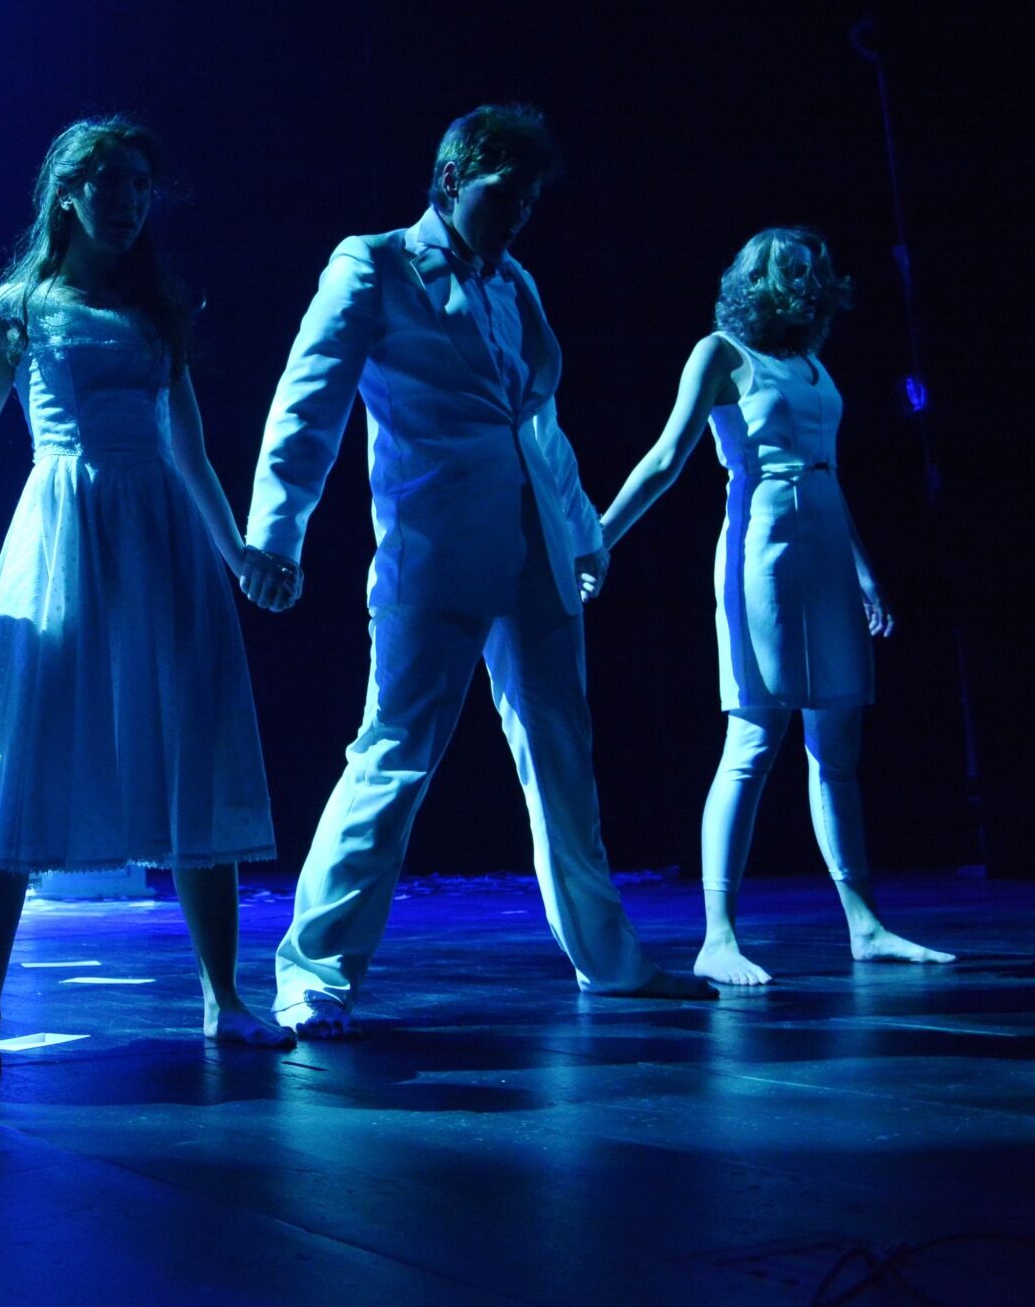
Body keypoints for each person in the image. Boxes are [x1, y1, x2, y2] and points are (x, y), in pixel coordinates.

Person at [242, 103, 713, 1036]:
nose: (522, 211)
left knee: (563, 759)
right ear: (455, 177)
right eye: (509, 191)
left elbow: (537, 423)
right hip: (434, 547)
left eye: (534, 198)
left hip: (537, 549)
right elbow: (308, 403)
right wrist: (276, 534)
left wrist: (584, 533)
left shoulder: (517, 283)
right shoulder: (372, 263)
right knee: (394, 754)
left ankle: (609, 962)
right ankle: (313, 970)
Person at [0, 117, 293, 1071]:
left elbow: (193, 453)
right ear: (68, 193)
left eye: (142, 185)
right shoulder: (15, 307)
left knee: (188, 750)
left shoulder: (156, 314)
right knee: (21, 753)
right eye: (114, 183)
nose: (131, 202)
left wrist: (240, 553)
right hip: (63, 534)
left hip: (161, 541)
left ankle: (224, 998)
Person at [594, 227, 952, 984]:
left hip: (823, 549)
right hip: (765, 550)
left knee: (838, 751)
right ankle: (716, 935)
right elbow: (665, 460)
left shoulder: (813, 366)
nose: (805, 278)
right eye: (788, 268)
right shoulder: (723, 354)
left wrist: (863, 572)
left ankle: (865, 924)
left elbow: (828, 472)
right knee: (755, 740)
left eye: (811, 269)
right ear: (753, 280)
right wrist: (596, 540)